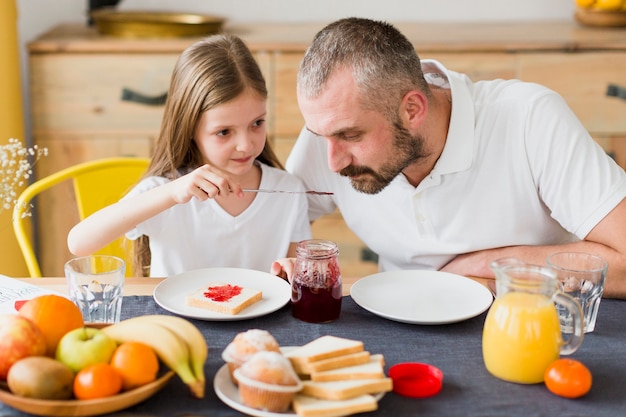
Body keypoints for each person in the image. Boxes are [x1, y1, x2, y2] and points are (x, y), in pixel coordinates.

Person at [272, 17, 626, 299]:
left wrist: (493, 265)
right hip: (400, 325)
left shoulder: (529, 119)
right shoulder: (332, 128)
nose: (332, 163)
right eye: (322, 136)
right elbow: (268, 223)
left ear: (412, 109)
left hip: (532, 319)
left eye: (352, 136)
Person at [68, 34, 311, 277]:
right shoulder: (166, 191)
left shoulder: (289, 190)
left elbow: (291, 273)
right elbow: (79, 243)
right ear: (190, 129)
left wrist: (293, 271)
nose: (246, 145)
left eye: (257, 123)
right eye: (224, 131)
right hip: (175, 317)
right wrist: (171, 193)